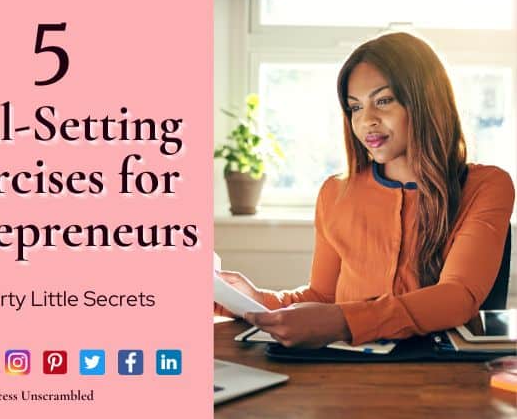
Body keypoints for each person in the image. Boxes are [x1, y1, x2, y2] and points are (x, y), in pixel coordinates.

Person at [215, 32, 515, 348]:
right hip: (348, 372)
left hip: (440, 374)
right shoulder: (335, 193)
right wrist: (254, 299)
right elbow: (323, 297)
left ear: (427, 101)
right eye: (355, 107)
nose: (366, 120)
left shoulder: (487, 186)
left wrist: (344, 322)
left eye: (383, 101)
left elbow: (457, 297)